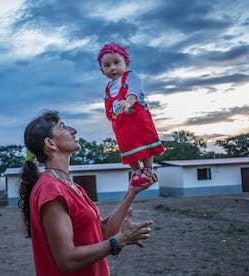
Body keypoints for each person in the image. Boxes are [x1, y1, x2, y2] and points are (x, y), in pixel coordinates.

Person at [18, 110, 156, 276]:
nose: (73, 130)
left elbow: (104, 231)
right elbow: (67, 260)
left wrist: (131, 192)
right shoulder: (51, 190)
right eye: (63, 126)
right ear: (50, 144)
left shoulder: (73, 187)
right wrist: (119, 241)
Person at [97, 42, 165, 186]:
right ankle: (136, 171)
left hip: (137, 120)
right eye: (107, 65)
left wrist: (129, 102)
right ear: (102, 70)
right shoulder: (108, 88)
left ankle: (148, 169)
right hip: (121, 124)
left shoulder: (130, 77)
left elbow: (133, 91)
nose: (113, 68)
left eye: (116, 62)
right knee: (127, 146)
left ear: (126, 63)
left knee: (145, 142)